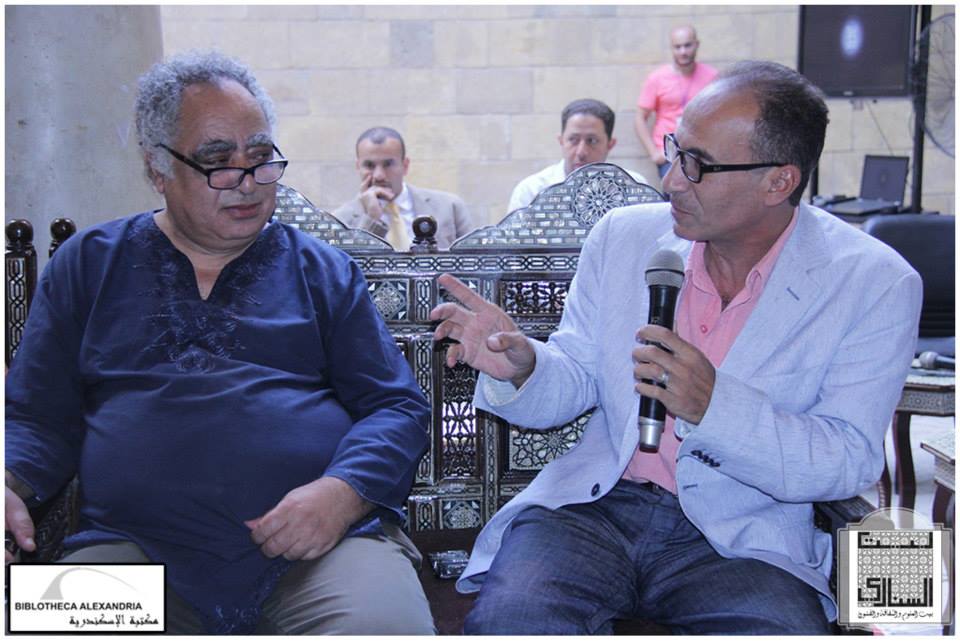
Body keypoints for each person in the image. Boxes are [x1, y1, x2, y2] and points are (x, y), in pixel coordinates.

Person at [431, 60, 922, 634]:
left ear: (779, 182)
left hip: (742, 537)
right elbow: (578, 377)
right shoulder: (625, 236)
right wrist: (525, 366)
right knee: (512, 623)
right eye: (674, 150)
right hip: (595, 508)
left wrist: (714, 407)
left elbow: (847, 461)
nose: (671, 181)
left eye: (697, 164)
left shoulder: (874, 283)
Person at [5, 51, 435, 635]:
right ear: (158, 168)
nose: (248, 182)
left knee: (385, 629)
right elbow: (36, 418)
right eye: (217, 162)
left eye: (260, 158)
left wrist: (343, 493)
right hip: (133, 550)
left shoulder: (322, 270)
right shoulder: (89, 264)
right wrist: (7, 481)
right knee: (48, 625)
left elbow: (396, 407)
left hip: (324, 549)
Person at [334, 127, 477, 250]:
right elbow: (346, 268)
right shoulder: (340, 220)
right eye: (369, 165)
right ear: (358, 167)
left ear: (405, 165)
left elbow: (473, 260)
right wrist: (371, 219)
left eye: (388, 164)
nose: (379, 175)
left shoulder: (450, 207)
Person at [506, 99, 648, 213]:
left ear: (610, 144)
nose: (581, 152)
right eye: (573, 140)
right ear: (561, 141)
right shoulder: (531, 191)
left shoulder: (635, 188)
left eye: (592, 141)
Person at [634, 25, 718, 180]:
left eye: (687, 45)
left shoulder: (712, 76)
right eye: (677, 47)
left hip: (701, 152)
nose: (683, 51)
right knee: (673, 193)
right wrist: (654, 153)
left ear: (697, 44)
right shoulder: (657, 78)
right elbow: (640, 118)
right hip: (669, 153)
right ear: (671, 48)